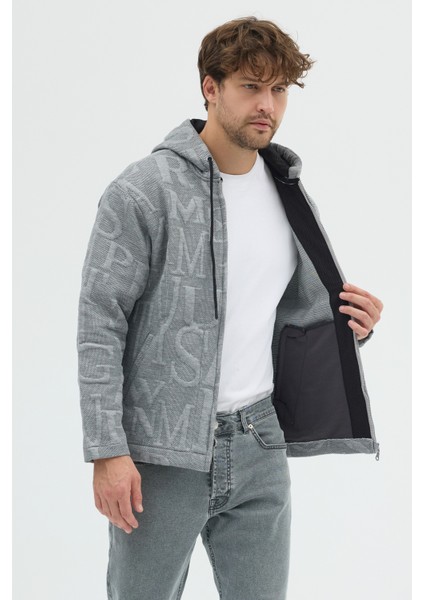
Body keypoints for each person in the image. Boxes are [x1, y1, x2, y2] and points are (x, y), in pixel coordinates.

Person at [76, 16, 383, 600]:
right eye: (250, 86)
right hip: (162, 452)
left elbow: (285, 314)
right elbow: (99, 324)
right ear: (210, 88)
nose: (267, 104)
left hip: (260, 440)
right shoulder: (143, 190)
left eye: (279, 89)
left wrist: (353, 329)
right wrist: (107, 449)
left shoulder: (288, 191)